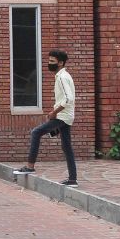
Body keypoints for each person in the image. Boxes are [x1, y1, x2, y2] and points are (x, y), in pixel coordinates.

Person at [14, 50, 78, 186]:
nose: (49, 63)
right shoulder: (63, 76)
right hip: (65, 115)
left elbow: (68, 99)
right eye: (49, 61)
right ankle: (73, 179)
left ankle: (30, 166)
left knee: (36, 132)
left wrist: (54, 112)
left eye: (52, 61)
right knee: (67, 147)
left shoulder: (62, 77)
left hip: (62, 116)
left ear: (61, 63)